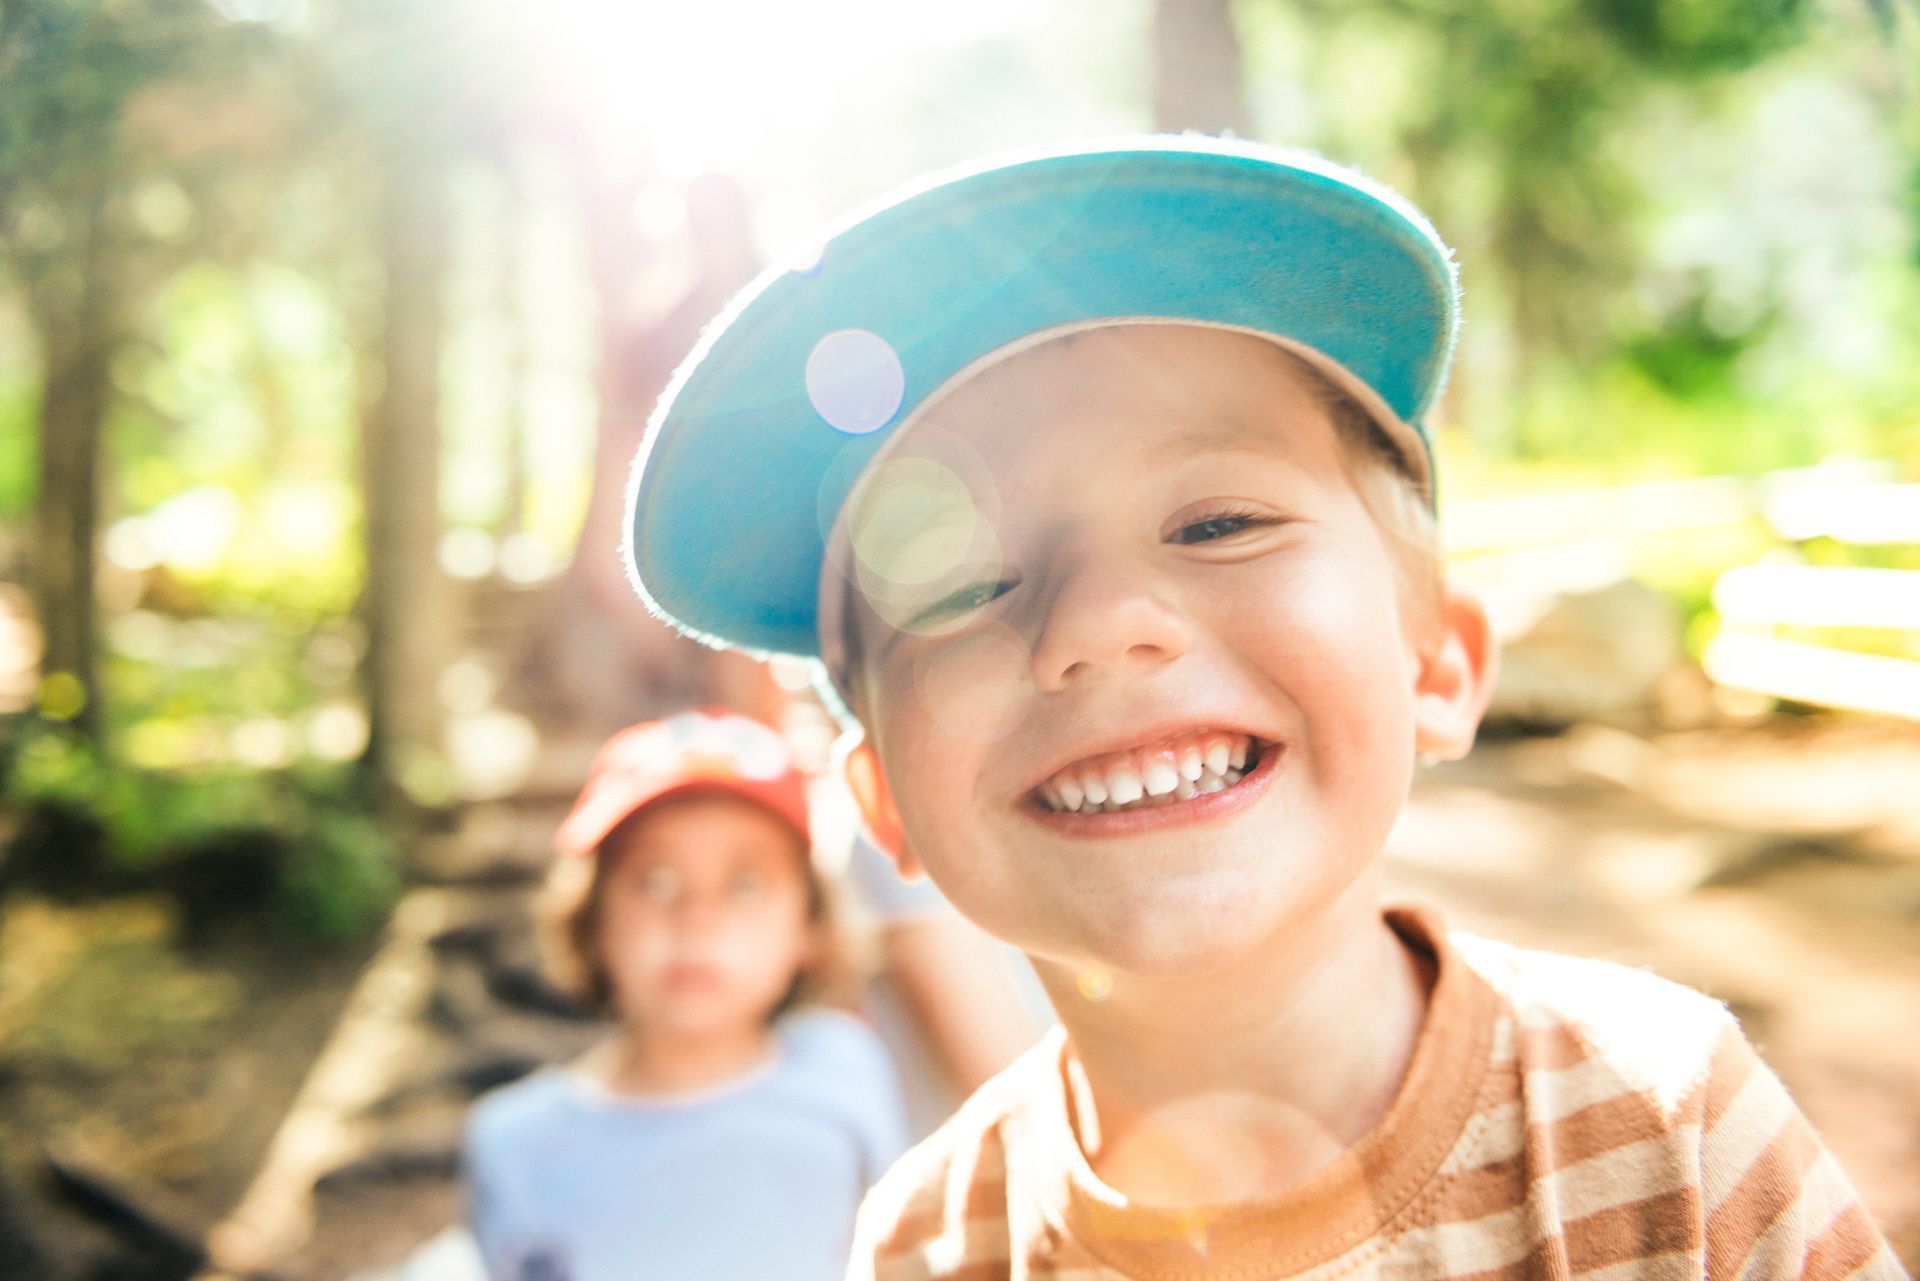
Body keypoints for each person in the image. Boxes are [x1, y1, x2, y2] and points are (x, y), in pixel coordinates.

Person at [620, 138, 1909, 1279]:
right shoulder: (924, 1246)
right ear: (885, 803)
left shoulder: (1663, 1121)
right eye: (964, 587)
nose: (1096, 621)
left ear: (1439, 663)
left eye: (1220, 521)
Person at [462, 708, 907, 1281]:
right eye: (656, 880)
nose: (697, 918)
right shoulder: (513, 1144)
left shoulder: (845, 1067)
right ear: (591, 920)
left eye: (744, 883)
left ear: (810, 926)